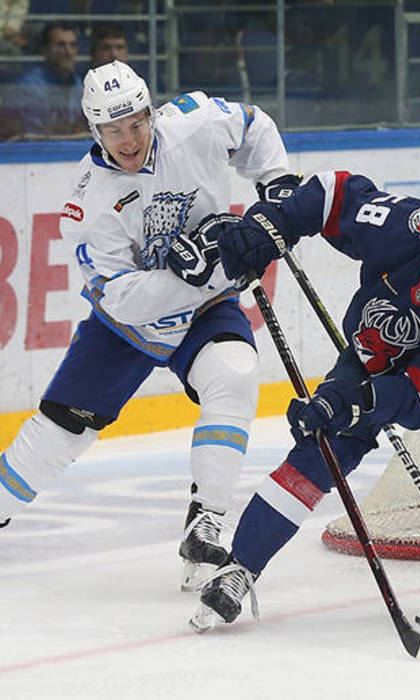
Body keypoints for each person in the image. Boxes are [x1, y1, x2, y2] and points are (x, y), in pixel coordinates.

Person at [178, 174, 420, 635]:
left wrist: (348, 402)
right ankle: (239, 569)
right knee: (321, 450)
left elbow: (415, 400)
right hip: (372, 360)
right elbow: (334, 195)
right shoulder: (403, 225)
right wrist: (272, 223)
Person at [0, 60, 293, 590]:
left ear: (149, 110)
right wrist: (205, 268)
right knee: (60, 431)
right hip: (129, 326)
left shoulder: (195, 122)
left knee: (235, 372)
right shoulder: (87, 202)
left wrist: (276, 186)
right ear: (94, 130)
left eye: (136, 122)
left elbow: (255, 126)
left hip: (206, 307)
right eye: (114, 129)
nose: (129, 138)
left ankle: (206, 522)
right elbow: (122, 298)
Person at [12, 21, 86, 137]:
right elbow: (32, 135)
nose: (68, 52)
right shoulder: (29, 87)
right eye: (61, 45)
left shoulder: (78, 85)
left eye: (73, 45)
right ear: (45, 50)